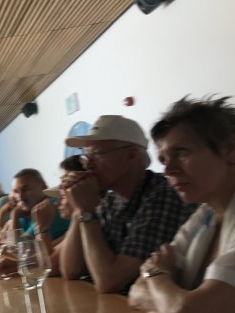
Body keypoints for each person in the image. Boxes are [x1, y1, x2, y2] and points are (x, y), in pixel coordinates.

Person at [127, 97, 235, 313]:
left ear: (230, 149)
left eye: (181, 152)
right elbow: (135, 292)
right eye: (164, 160)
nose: (169, 170)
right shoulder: (205, 214)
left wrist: (156, 274)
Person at [60, 115, 195, 294]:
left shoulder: (164, 194)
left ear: (131, 154)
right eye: (86, 157)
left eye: (97, 154)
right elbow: (70, 270)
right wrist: (79, 210)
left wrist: (86, 212)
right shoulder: (109, 201)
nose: (89, 165)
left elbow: (109, 280)